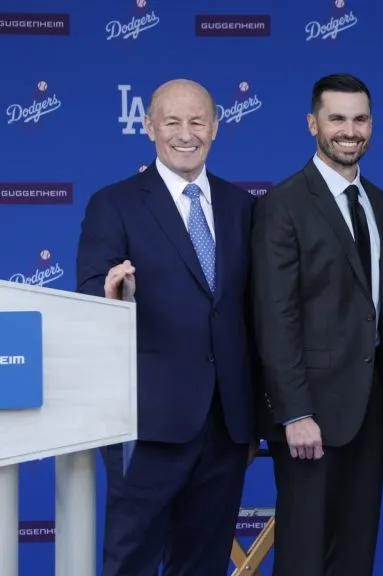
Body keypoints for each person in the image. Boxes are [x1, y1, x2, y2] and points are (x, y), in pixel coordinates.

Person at [75, 78, 258, 576]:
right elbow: (90, 293)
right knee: (130, 561)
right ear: (148, 127)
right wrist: (114, 295)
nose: (185, 133)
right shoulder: (113, 203)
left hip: (225, 425)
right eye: (171, 121)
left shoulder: (243, 207)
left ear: (215, 127)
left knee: (203, 562)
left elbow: (254, 311)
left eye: (197, 121)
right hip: (146, 423)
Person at [249, 73, 383, 576]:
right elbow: (275, 316)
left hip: (371, 412)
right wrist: (294, 412)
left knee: (356, 553)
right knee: (305, 555)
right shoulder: (282, 205)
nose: (349, 131)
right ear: (313, 124)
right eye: (337, 119)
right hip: (309, 414)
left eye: (360, 119)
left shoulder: (380, 204)